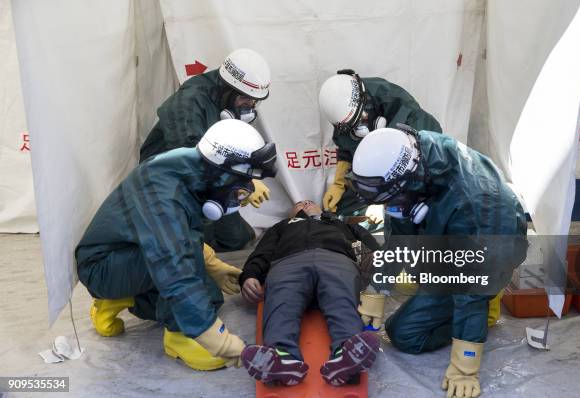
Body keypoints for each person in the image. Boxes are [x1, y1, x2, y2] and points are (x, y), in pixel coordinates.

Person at [76, 119, 277, 371]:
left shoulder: (193, 166)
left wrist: (213, 266)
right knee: (187, 287)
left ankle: (120, 299)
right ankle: (180, 338)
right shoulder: (163, 196)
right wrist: (226, 346)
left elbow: (184, 231)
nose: (243, 193)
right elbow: (176, 267)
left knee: (209, 298)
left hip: (129, 253)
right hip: (102, 267)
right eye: (241, 185)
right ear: (222, 171)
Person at [345, 127, 527, 398]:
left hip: (492, 246)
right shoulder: (411, 160)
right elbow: (401, 236)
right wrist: (378, 288)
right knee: (411, 305)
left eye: (390, 200)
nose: (389, 207)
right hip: (452, 235)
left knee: (411, 332)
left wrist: (465, 365)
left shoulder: (476, 204)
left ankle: (487, 306)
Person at [140, 48, 272, 252]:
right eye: (247, 99)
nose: (251, 105)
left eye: (256, 101)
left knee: (238, 238)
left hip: (210, 177)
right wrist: (244, 181)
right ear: (229, 88)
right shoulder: (188, 103)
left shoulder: (226, 101)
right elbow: (190, 158)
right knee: (200, 242)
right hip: (170, 181)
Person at [238, 200, 381, 386]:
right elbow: (262, 253)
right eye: (299, 204)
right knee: (281, 302)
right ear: (291, 214)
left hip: (336, 259)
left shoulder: (340, 223)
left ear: (322, 209)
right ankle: (283, 357)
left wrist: (380, 265)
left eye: (310, 202)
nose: (305, 203)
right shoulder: (281, 227)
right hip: (288, 262)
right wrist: (249, 275)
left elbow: (371, 243)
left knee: (342, 300)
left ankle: (346, 353)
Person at [318, 69, 442, 223]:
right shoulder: (343, 119)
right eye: (353, 125)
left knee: (404, 216)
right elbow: (346, 150)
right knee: (343, 212)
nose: (360, 128)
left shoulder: (399, 105)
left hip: (412, 169)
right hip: (377, 175)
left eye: (361, 118)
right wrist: (339, 184)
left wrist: (385, 202)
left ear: (365, 101)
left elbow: (417, 160)